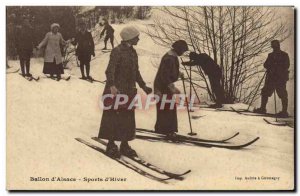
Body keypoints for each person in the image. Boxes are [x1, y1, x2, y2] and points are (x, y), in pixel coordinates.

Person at [98, 26, 152, 158]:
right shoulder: (117, 51)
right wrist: (111, 85)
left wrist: (143, 86)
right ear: (129, 38)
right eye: (136, 37)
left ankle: (124, 144)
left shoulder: (133, 52)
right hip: (116, 90)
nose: (138, 39)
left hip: (129, 91)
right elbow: (109, 70)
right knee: (113, 117)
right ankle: (111, 144)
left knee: (127, 118)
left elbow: (136, 72)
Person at [153, 40, 188, 137]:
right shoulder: (169, 58)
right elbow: (164, 75)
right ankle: (166, 130)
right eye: (183, 50)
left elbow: (171, 70)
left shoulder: (173, 56)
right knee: (166, 107)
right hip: (162, 86)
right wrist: (171, 87)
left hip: (164, 85)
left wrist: (178, 74)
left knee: (168, 106)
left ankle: (165, 129)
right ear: (178, 49)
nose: (183, 53)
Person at [253, 40, 290, 118]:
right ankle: (263, 108)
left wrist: (277, 68)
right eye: (273, 46)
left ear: (278, 46)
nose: (273, 47)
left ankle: (284, 111)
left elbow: (287, 65)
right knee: (265, 91)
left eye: (274, 46)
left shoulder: (284, 55)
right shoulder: (270, 55)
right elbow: (265, 64)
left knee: (282, 94)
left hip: (280, 79)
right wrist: (270, 66)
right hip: (271, 78)